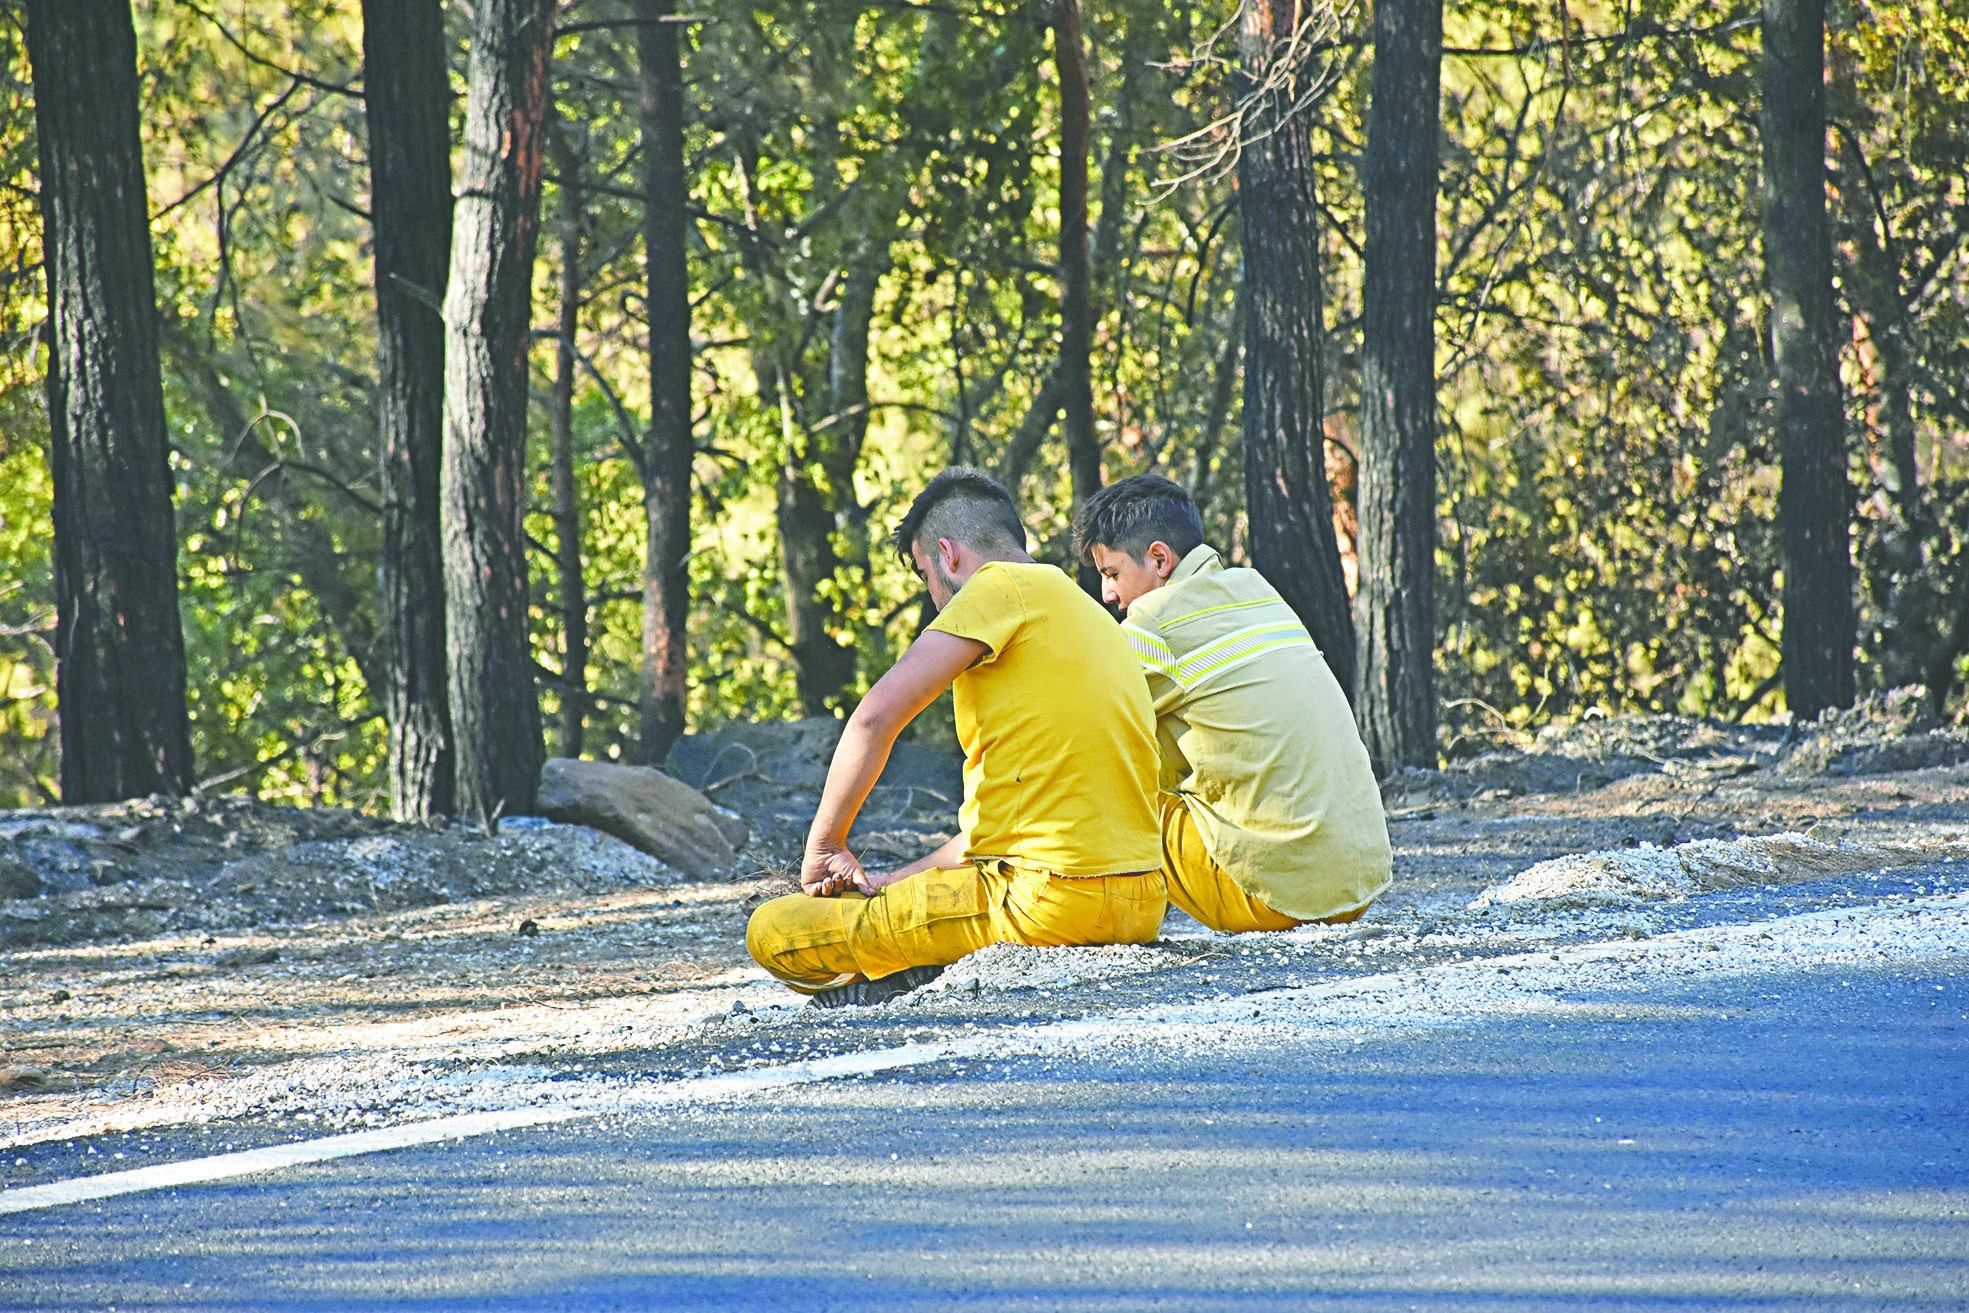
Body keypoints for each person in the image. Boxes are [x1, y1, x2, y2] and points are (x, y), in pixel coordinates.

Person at [745, 468, 1167, 1005]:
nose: (933, 596)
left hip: (1048, 903)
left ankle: (919, 971)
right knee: (882, 907)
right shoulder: (1084, 608)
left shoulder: (996, 586)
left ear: (947, 555)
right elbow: (988, 838)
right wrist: (891, 882)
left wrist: (825, 846)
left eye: (924, 574)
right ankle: (924, 961)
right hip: (1142, 902)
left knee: (776, 931)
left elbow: (875, 718)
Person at [1072, 474, 1392, 933]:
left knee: (1101, 766)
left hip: (1274, 896)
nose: (1108, 595)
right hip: (1357, 882)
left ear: (1159, 558)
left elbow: (1080, 736)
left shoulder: (1151, 623)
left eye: (1112, 574)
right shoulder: (1257, 590)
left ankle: (1101, 925)